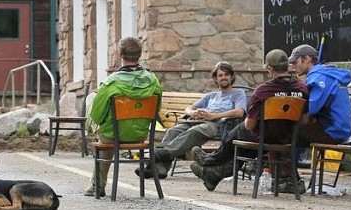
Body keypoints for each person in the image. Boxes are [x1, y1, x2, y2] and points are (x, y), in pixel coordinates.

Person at [190, 49, 308, 192]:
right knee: (244, 145)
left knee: (240, 130)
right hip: (289, 138)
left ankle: (211, 161)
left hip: (265, 138)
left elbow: (250, 124)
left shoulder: (263, 90)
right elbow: (305, 120)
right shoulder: (302, 88)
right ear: (287, 66)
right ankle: (212, 174)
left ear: (270, 69)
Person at [83, 37, 162, 197]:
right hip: (140, 135)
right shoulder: (153, 81)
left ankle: (97, 185)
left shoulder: (111, 83)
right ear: (140, 54)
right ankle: (95, 183)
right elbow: (156, 110)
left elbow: (97, 116)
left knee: (93, 101)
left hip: (113, 135)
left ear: (120, 54)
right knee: (111, 129)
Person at [143, 61, 247, 180]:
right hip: (197, 121)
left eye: (226, 75)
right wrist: (193, 113)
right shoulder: (211, 96)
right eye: (220, 75)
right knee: (172, 131)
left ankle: (158, 156)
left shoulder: (238, 93)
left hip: (218, 124)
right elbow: (189, 108)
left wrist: (213, 116)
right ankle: (160, 169)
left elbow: (240, 112)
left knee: (196, 131)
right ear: (216, 79)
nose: (223, 77)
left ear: (232, 77)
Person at [288, 44, 351, 146]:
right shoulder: (328, 73)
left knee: (287, 131)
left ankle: (287, 162)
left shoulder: (318, 78)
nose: (292, 66)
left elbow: (312, 109)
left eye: (295, 62)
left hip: (333, 131)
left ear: (307, 59)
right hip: (342, 128)